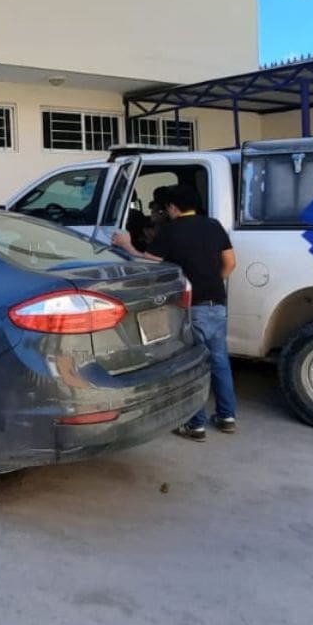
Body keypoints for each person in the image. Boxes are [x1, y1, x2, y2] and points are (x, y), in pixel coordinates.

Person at [113, 184, 237, 440]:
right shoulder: (213, 225)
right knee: (219, 361)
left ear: (172, 207)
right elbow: (230, 263)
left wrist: (127, 245)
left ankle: (196, 425)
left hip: (190, 306)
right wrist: (211, 282)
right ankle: (227, 416)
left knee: (192, 364)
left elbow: (148, 264)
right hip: (217, 302)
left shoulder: (170, 230)